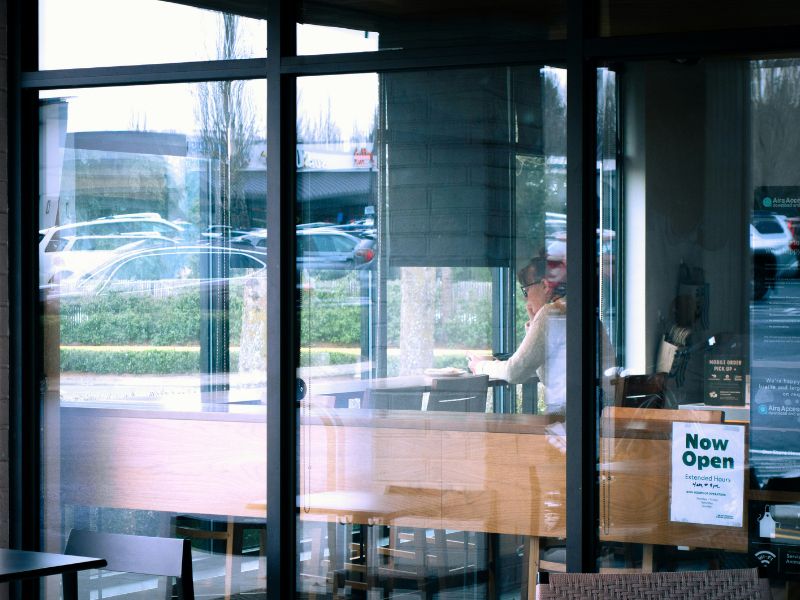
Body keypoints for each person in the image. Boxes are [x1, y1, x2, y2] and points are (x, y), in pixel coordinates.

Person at [468, 255, 567, 414]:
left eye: (527, 289)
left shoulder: (551, 313)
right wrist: (534, 324)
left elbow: (514, 372)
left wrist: (479, 366)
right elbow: (548, 377)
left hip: (570, 421)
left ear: (544, 286)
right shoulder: (571, 308)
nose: (524, 297)